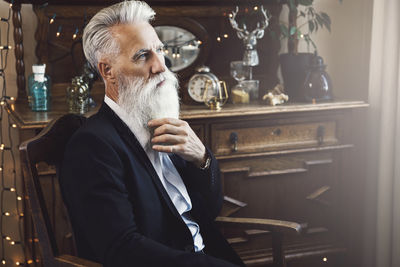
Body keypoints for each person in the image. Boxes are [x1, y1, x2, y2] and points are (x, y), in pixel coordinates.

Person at [59, 1, 244, 266]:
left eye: (160, 50)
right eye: (143, 55)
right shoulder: (92, 146)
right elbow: (122, 249)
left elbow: (209, 212)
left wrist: (201, 158)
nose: (161, 66)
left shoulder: (160, 120)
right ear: (107, 71)